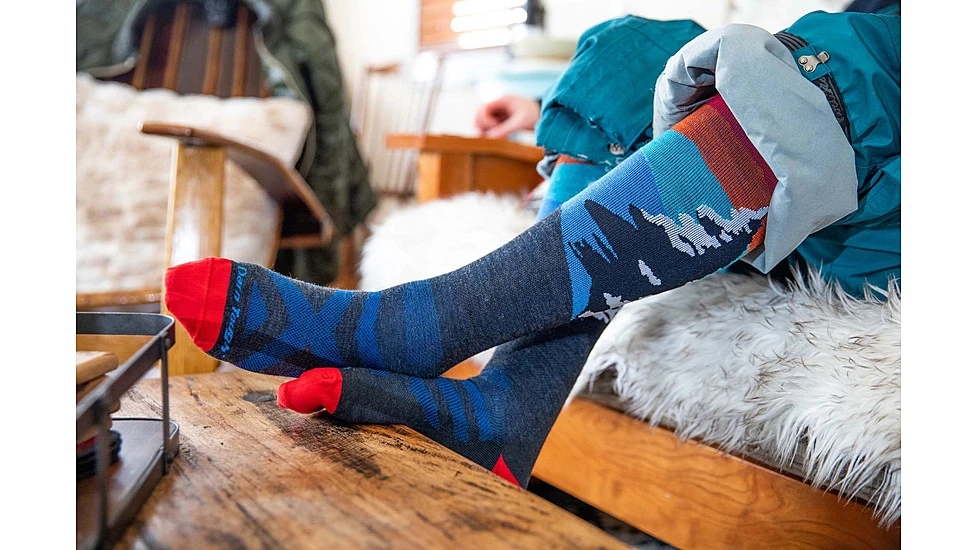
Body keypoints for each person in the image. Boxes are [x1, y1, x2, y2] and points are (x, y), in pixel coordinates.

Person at [162, 9, 900, 487]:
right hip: (814, 210)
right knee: (627, 48)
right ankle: (510, 403)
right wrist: (552, 105)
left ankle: (420, 324)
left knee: (881, 54)